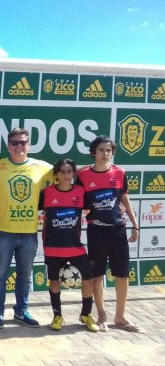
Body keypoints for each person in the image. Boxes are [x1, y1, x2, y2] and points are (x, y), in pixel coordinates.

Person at [0, 127, 53, 329]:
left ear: (28, 145)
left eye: (23, 143)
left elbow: (67, 173)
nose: (19, 146)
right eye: (15, 143)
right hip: (3, 231)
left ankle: (21, 311)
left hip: (29, 232)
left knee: (25, 276)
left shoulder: (42, 167)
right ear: (8, 145)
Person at [76, 136, 142, 333]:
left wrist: (135, 225)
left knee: (122, 275)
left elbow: (125, 199)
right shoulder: (83, 175)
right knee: (97, 276)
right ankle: (102, 314)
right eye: (101, 150)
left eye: (108, 150)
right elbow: (78, 203)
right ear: (93, 153)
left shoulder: (119, 173)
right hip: (96, 231)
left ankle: (120, 316)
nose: (105, 154)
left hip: (118, 230)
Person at [39, 158, 99, 332]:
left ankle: (86, 314)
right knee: (54, 282)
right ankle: (57, 315)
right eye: (62, 171)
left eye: (69, 171)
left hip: (75, 246)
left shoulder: (81, 192)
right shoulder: (46, 192)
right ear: (56, 174)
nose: (66, 175)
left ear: (74, 173)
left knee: (89, 279)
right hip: (52, 247)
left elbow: (91, 211)